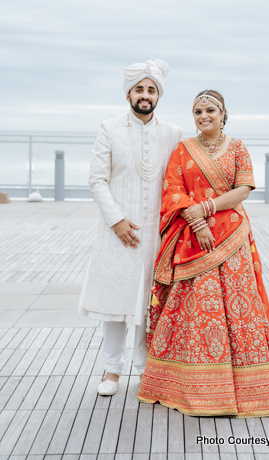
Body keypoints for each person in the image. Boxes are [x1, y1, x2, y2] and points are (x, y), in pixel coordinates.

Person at [138, 90, 269, 417]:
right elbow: (173, 192)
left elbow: (243, 190)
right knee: (198, 309)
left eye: (210, 110)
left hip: (232, 236)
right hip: (194, 242)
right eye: (197, 111)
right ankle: (192, 385)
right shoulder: (183, 150)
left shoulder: (237, 147)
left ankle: (249, 386)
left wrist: (206, 207)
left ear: (223, 114)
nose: (203, 115)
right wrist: (197, 222)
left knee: (241, 310)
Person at [78, 59, 182, 396]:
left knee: (145, 302)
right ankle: (112, 371)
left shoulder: (172, 134)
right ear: (129, 95)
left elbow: (177, 181)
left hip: (155, 231)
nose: (145, 95)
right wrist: (117, 221)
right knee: (115, 302)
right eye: (139, 89)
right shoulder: (109, 128)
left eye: (151, 90)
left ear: (158, 96)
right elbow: (96, 180)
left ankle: (145, 370)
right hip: (117, 232)